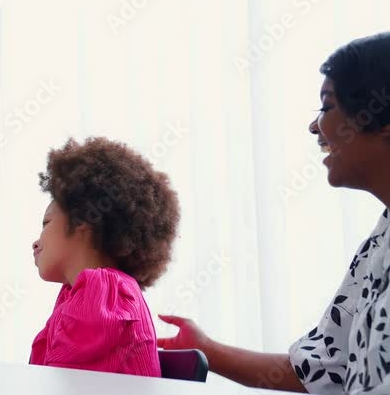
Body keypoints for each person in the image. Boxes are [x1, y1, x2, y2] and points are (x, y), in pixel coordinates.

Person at [158, 32, 390, 393]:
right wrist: (206, 351)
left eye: (327, 107)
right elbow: (322, 368)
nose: (315, 126)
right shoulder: (378, 245)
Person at [30, 137, 180, 376]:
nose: (36, 242)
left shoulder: (106, 292)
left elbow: (55, 383)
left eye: (46, 223)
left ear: (82, 220)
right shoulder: (78, 294)